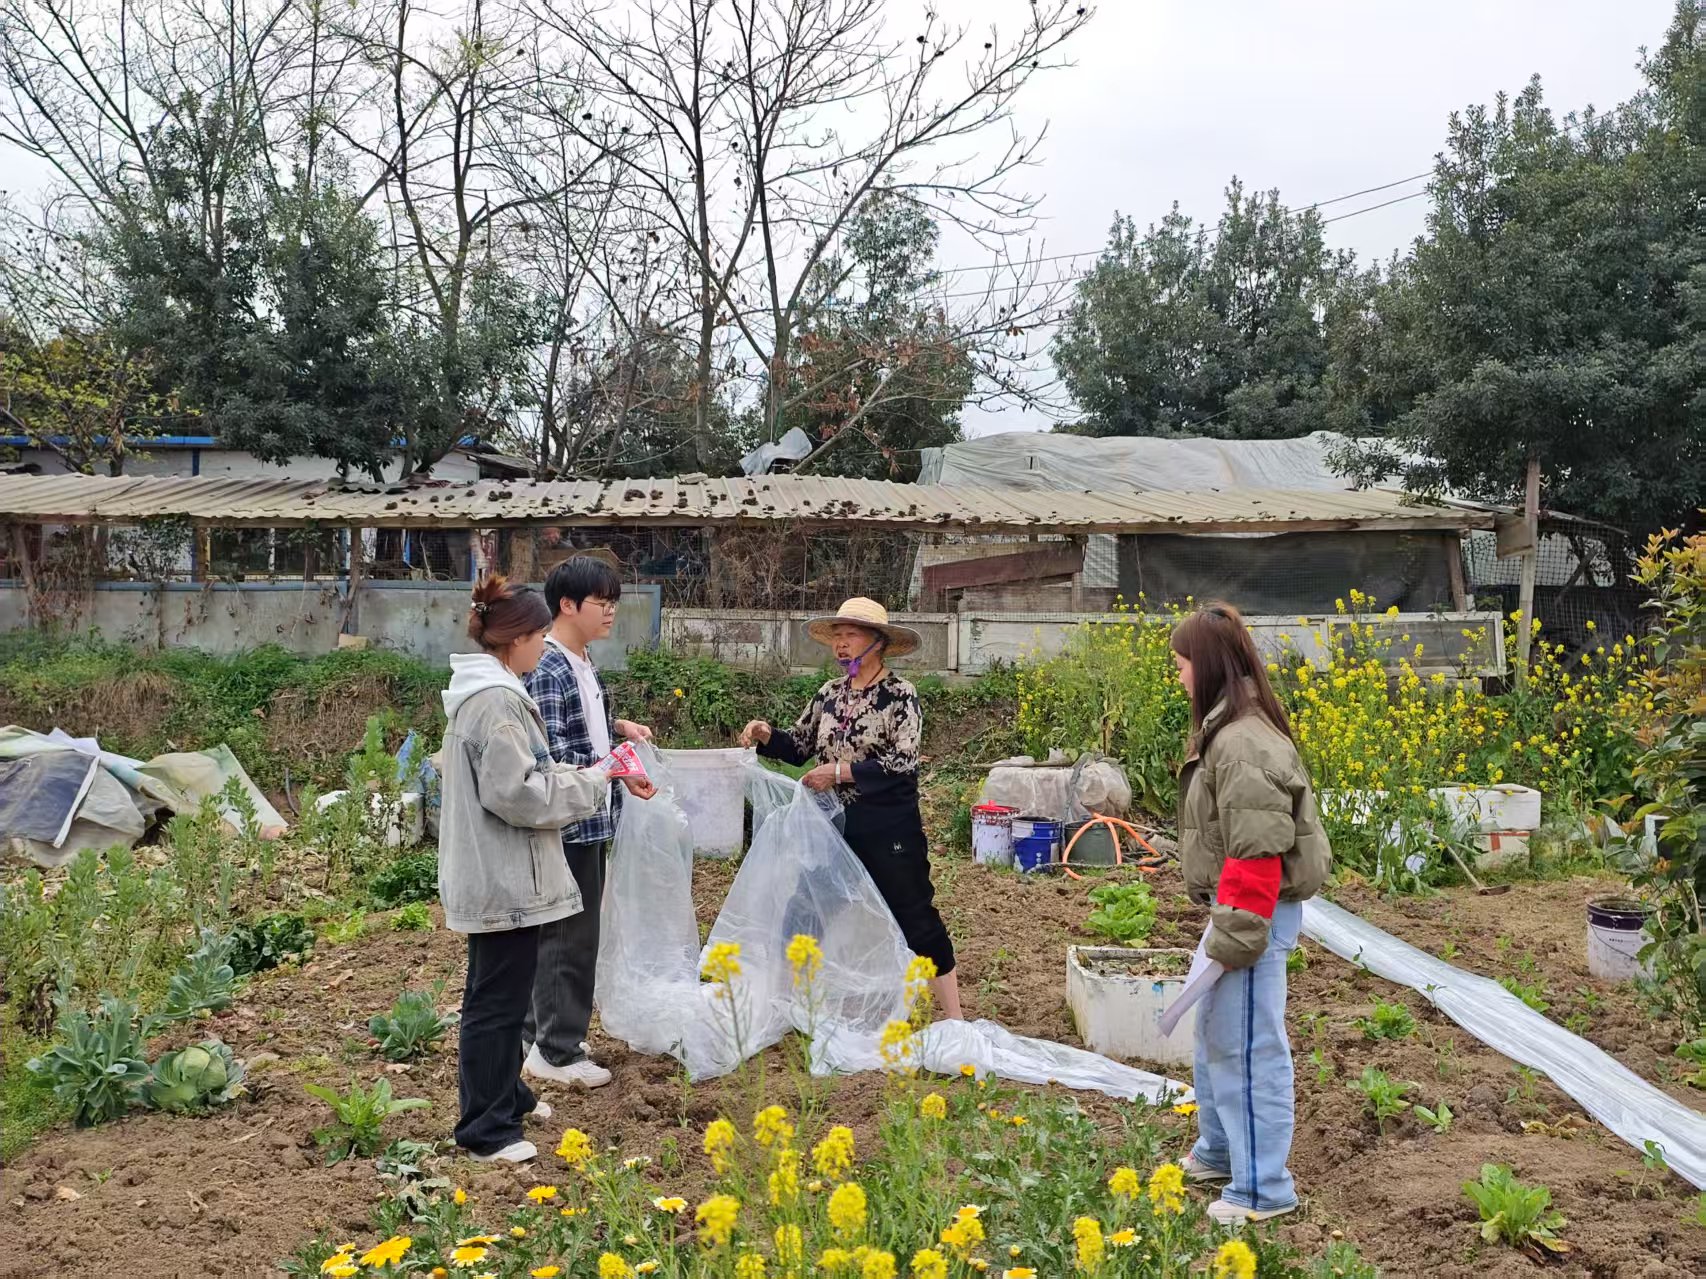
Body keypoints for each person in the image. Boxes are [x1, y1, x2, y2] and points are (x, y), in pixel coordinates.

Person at [438, 574, 640, 1162]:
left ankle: (508, 1094)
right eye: (538, 637)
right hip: (503, 876)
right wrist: (596, 782)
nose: (542, 647)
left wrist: (592, 773)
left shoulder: (492, 693)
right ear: (519, 638)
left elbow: (527, 776)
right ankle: (486, 1130)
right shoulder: (497, 703)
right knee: (495, 1004)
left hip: (501, 871)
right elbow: (521, 795)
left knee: (502, 993)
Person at [1170, 602, 1331, 1224]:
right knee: (1216, 1031)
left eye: (1182, 664)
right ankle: (1219, 1151)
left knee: (1247, 1045)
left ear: (1207, 665)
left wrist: (1235, 938)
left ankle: (1264, 1187)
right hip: (1237, 907)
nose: (1178, 675)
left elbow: (1258, 852)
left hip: (1253, 912)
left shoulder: (1241, 743)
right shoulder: (1232, 730)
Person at [739, 597, 962, 1020]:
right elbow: (800, 745)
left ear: (878, 642)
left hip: (888, 827)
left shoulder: (900, 695)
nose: (841, 644)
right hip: (831, 825)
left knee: (915, 916)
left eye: (851, 635)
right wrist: (767, 734)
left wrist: (840, 772)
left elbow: (903, 762)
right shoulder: (830, 694)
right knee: (804, 911)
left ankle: (955, 1018)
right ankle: (784, 1006)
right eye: (837, 636)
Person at [522, 554, 655, 1090]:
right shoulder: (550, 666)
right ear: (567, 605)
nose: (611, 612)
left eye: (613, 602)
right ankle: (556, 1050)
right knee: (569, 938)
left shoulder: (580, 660)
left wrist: (619, 731)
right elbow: (551, 756)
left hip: (590, 816)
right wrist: (617, 767)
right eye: (601, 602)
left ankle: (539, 1037)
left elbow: (585, 725)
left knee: (566, 933)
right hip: (568, 822)